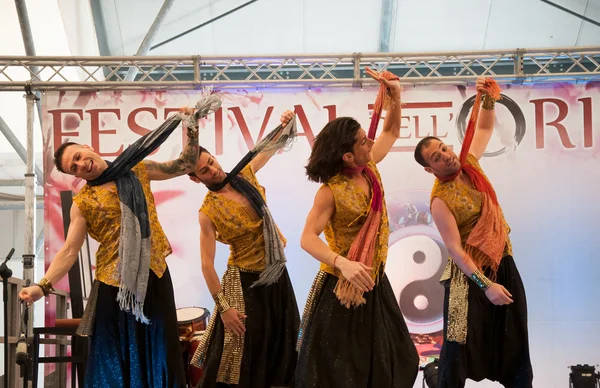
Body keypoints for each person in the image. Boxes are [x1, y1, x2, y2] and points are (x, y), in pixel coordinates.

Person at [19, 99, 221, 388]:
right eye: (74, 168)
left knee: (162, 354)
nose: (80, 164)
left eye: (78, 156)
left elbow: (185, 164)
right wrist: (43, 285)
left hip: (155, 276)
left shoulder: (137, 168)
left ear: (88, 148)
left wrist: (190, 127)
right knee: (117, 362)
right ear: (77, 176)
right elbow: (69, 251)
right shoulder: (84, 202)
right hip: (116, 288)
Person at [296, 68, 419, 388]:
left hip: (374, 281)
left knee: (400, 358)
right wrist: (343, 263)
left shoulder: (369, 167)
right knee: (343, 374)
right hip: (343, 290)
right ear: (348, 155)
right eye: (365, 141)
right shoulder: (330, 192)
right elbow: (307, 239)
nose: (372, 143)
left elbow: (391, 132)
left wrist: (396, 96)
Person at [413, 77, 533, 387]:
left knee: (514, 337)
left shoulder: (470, 163)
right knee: (459, 350)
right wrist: (486, 286)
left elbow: (482, 129)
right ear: (429, 169)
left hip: (502, 260)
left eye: (443, 148)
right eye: (436, 157)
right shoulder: (440, 199)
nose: (446, 156)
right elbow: (455, 249)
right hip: (469, 279)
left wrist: (488, 98)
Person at [188, 110, 300, 388]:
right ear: (194, 178)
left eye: (211, 161)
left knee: (284, 345)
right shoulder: (208, 212)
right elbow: (206, 265)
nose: (213, 169)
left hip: (276, 274)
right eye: (204, 170)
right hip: (244, 283)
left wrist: (285, 122)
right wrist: (224, 308)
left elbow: (272, 146)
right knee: (243, 356)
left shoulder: (245, 174)